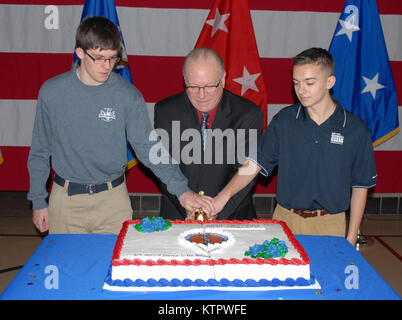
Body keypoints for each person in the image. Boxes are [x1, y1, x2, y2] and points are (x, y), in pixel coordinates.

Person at [27, 16, 214, 234]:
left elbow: (149, 148)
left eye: (113, 58)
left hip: (112, 201)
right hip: (65, 200)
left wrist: (182, 191)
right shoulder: (52, 92)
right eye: (99, 58)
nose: (107, 66)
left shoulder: (127, 95)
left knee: (115, 266)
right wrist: (39, 200)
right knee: (67, 266)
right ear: (80, 53)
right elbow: (40, 150)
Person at [213, 47, 377, 246]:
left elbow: (360, 187)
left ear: (329, 82)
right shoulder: (285, 120)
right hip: (285, 219)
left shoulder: (355, 129)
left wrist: (351, 236)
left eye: (309, 83)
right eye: (296, 83)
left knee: (324, 277)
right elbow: (255, 164)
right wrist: (222, 197)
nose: (301, 90)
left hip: (330, 223)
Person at [154, 47, 263, 220]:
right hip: (178, 214)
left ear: (223, 79)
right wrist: (188, 206)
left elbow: (247, 170)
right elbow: (164, 166)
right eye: (194, 86)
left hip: (232, 216)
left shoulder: (248, 114)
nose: (201, 95)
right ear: (184, 80)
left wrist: (214, 211)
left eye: (210, 86)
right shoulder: (165, 111)